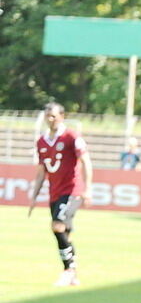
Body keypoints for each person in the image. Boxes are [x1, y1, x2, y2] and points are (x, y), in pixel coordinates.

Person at [27, 102, 92, 287]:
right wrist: (34, 196)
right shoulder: (41, 141)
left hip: (72, 191)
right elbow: (42, 172)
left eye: (53, 115)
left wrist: (88, 188)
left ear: (62, 116)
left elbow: (86, 161)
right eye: (47, 115)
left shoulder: (72, 136)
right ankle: (73, 273)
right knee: (65, 233)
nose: (50, 118)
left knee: (57, 225)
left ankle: (68, 270)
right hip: (55, 193)